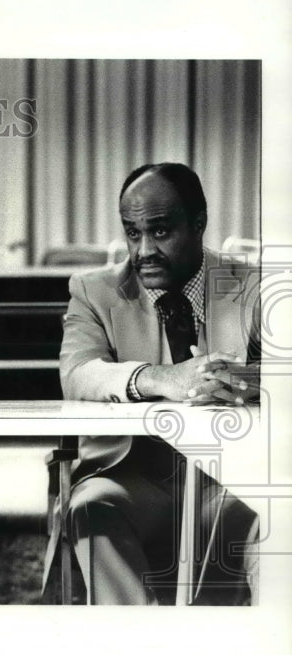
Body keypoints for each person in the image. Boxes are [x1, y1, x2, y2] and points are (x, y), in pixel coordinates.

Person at [50, 162, 260, 604]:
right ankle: (145, 653)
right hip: (132, 476)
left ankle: (230, 648)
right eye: (132, 233)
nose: (143, 250)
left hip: (227, 481)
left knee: (273, 507)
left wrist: (245, 380)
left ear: (199, 223)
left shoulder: (253, 286)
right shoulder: (94, 291)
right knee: (91, 506)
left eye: (160, 232)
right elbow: (78, 373)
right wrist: (162, 379)